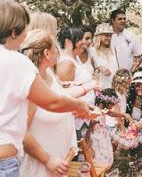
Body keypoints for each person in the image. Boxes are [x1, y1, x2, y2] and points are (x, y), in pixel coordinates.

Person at [0, 0, 89, 176]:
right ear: (14, 32)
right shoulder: (16, 62)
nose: (27, 36)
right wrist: (80, 106)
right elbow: (52, 102)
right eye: (25, 29)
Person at [20, 29, 96, 177]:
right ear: (47, 54)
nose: (59, 50)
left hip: (60, 165)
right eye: (56, 47)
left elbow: (59, 100)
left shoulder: (49, 75)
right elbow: (22, 132)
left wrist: (82, 108)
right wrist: (48, 160)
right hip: (39, 168)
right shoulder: (32, 85)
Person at [57, 27, 96, 140]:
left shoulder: (75, 60)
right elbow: (64, 94)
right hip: (73, 122)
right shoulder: (66, 63)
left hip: (83, 119)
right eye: (79, 39)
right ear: (68, 42)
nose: (83, 43)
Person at [90, 23, 119, 89]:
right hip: (101, 88)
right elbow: (89, 70)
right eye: (106, 35)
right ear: (99, 36)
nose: (109, 38)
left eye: (110, 36)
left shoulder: (113, 50)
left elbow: (117, 68)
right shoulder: (92, 51)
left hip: (115, 87)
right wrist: (99, 68)